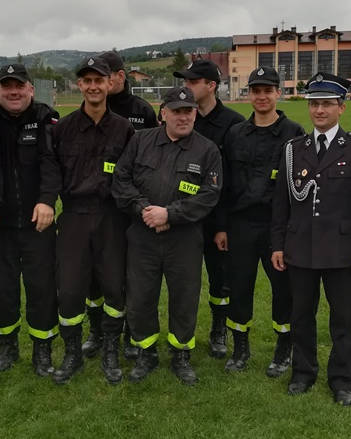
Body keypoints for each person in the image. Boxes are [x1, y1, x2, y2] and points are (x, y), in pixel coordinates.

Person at [270, 73, 351, 406]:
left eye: (327, 104)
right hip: (300, 248)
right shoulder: (293, 149)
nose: (319, 110)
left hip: (342, 251)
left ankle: (342, 380)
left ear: (341, 108)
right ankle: (303, 373)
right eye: (314, 104)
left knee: (343, 320)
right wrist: (278, 244)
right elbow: (281, 203)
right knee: (301, 316)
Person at [112, 86, 222, 386]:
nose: (183, 117)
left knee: (184, 298)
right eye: (176, 111)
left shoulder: (207, 150)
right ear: (164, 113)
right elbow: (121, 180)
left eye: (188, 111)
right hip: (142, 235)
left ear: (195, 114)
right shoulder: (141, 141)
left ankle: (180, 355)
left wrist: (170, 214)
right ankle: (146, 353)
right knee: (140, 298)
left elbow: (209, 195)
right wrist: (145, 210)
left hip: (184, 239)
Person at [53, 56, 135, 386]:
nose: (93, 86)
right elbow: (51, 173)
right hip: (73, 216)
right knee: (70, 289)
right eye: (86, 81)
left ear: (109, 83)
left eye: (98, 80)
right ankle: (72, 353)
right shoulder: (63, 128)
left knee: (115, 286)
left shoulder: (124, 129)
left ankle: (110, 351)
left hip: (111, 217)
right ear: (79, 85)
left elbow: (131, 176)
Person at [218, 67, 305, 374]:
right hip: (240, 225)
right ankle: (240, 348)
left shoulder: (294, 134)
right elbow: (224, 184)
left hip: (277, 228)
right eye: (256, 91)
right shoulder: (235, 134)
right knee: (239, 287)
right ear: (249, 95)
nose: (262, 96)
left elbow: (301, 185)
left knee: (284, 289)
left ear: (278, 93)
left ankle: (284, 349)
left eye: (268, 90)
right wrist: (221, 226)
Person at [0, 63, 61, 377]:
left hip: (39, 223)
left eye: (19, 86)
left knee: (42, 287)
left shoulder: (45, 116)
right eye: (7, 86)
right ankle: (7, 345)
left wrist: (47, 199)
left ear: (30, 89)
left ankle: (42, 349)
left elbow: (51, 161)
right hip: (0, 224)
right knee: (0, 289)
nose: (14, 92)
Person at [82, 50, 158, 361]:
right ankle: (97, 330)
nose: (97, 83)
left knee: (127, 274)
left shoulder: (142, 110)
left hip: (129, 209)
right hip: (94, 207)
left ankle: (128, 333)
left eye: (104, 76)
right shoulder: (92, 108)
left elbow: (153, 159)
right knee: (93, 275)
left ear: (119, 77)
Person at [174, 58, 244, 360]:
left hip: (218, 218)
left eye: (192, 82)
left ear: (211, 86)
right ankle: (181, 333)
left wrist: (224, 224)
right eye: (185, 81)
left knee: (220, 278)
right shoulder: (182, 119)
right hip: (183, 215)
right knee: (182, 279)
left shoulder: (234, 124)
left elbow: (235, 180)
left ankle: (219, 328)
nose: (186, 87)